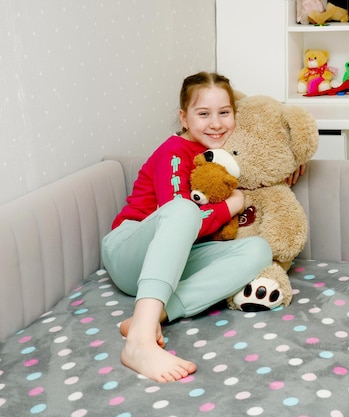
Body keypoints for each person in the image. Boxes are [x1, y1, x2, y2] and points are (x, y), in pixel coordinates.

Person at [101, 72, 273, 383]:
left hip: (175, 263)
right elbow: (186, 219)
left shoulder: (223, 155)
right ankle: (139, 343)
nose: (216, 123)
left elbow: (269, 150)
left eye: (224, 112)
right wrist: (232, 205)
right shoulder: (174, 152)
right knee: (182, 209)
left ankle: (153, 316)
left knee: (258, 250)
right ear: (184, 117)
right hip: (130, 252)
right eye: (203, 114)